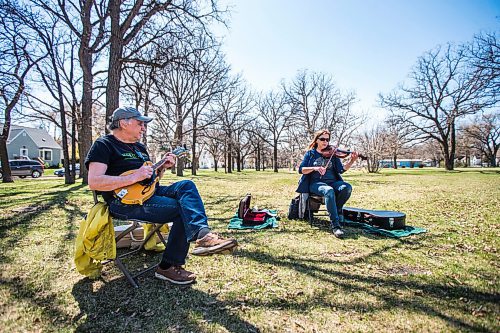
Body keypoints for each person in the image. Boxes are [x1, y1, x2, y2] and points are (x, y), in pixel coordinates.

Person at [85, 106, 238, 285]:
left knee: (186, 185)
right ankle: (167, 267)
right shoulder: (104, 145)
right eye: (140, 123)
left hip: (149, 193)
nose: (143, 128)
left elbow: (150, 179)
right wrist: (134, 176)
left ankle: (202, 235)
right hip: (123, 202)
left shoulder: (140, 148)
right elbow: (94, 181)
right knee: (180, 210)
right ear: (123, 123)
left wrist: (162, 168)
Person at [296, 129, 359, 238]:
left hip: (333, 182)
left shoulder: (333, 154)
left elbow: (341, 170)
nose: (325, 142)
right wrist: (315, 168)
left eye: (327, 139)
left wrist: (352, 161)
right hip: (316, 184)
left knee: (347, 187)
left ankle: (337, 210)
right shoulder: (311, 154)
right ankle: (336, 225)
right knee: (328, 190)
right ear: (316, 140)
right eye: (322, 139)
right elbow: (301, 169)